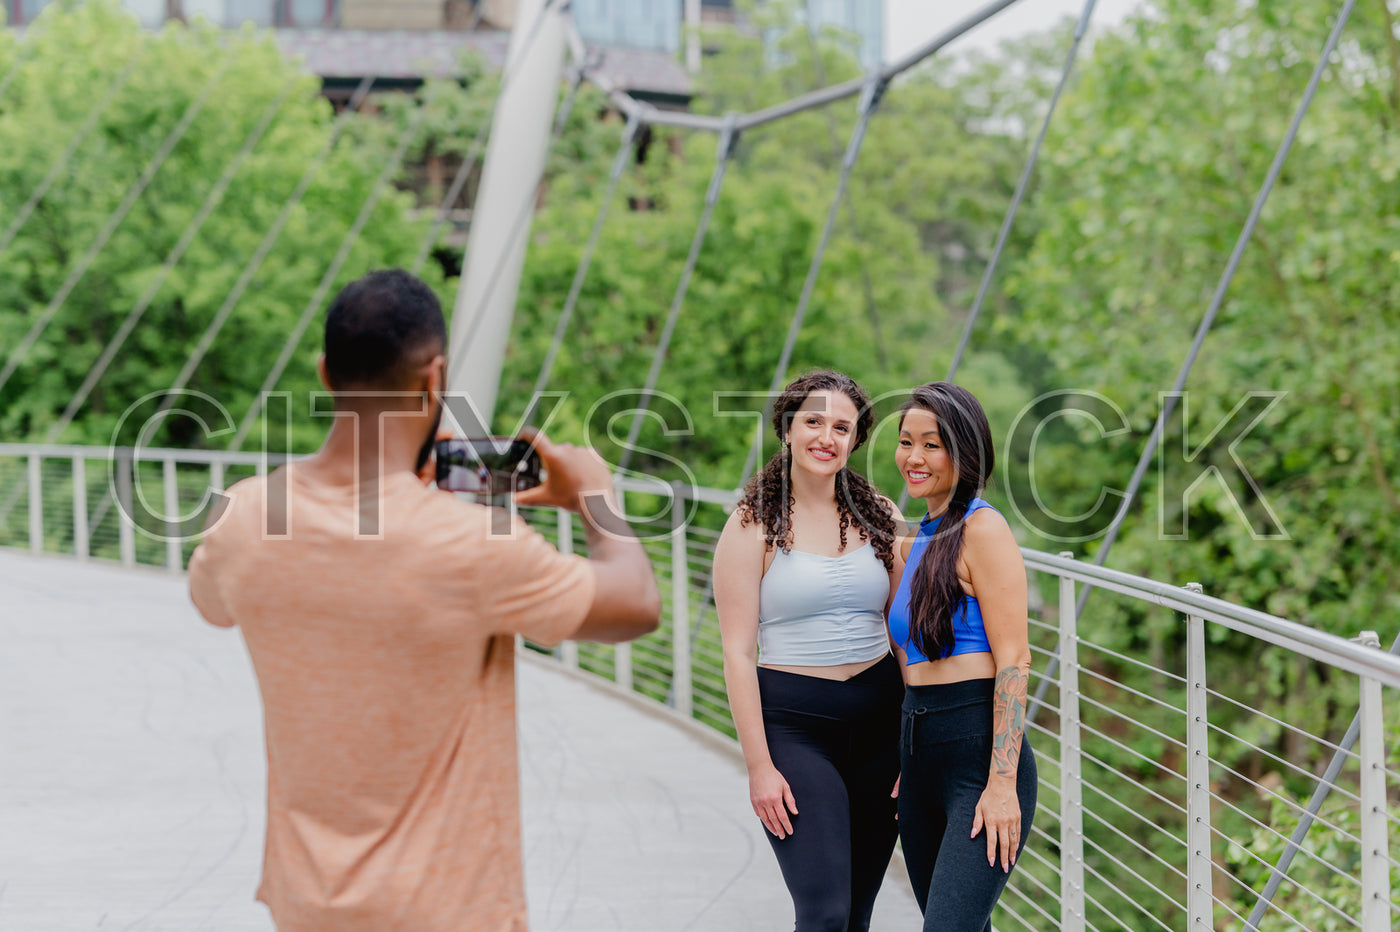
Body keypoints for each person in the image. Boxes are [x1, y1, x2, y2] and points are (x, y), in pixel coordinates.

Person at [187, 269, 660, 932]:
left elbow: (212, 602)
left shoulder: (242, 516)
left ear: (326, 373)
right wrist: (593, 495)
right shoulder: (472, 544)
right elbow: (635, 603)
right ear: (434, 378)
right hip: (447, 908)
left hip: (306, 903)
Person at [713, 370, 904, 932]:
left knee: (857, 916)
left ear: (855, 440)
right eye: (814, 421)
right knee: (823, 913)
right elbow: (737, 653)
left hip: (881, 725)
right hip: (796, 728)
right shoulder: (751, 526)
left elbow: (904, 630)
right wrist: (759, 768)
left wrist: (915, 737)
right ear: (788, 430)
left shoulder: (881, 516)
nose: (827, 436)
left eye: (841, 427)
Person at [887, 381, 1038, 932]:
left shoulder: (984, 527)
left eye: (932, 444)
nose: (914, 457)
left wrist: (1002, 782)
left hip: (978, 756)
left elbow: (1015, 658)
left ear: (963, 451)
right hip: (918, 753)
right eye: (906, 442)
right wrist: (907, 753)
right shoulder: (910, 543)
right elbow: (905, 658)